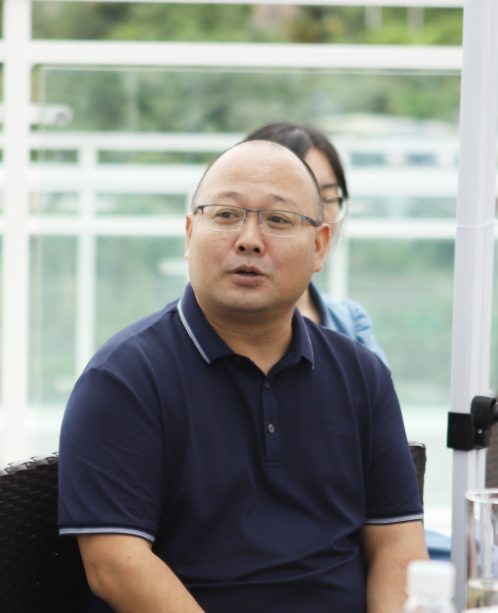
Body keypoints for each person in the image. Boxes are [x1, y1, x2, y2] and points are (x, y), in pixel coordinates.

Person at [59, 140, 428, 613]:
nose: (249, 239)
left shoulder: (361, 374)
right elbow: (115, 565)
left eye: (278, 220)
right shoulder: (124, 379)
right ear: (189, 233)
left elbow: (398, 544)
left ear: (319, 246)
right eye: (226, 215)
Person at [243, 122, 388, 364]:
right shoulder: (213, 326)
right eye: (292, 198)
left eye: (327, 198)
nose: (317, 217)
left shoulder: (351, 324)